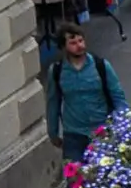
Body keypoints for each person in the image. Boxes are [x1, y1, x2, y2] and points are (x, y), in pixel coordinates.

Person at [42, 20, 122, 160]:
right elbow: (53, 102)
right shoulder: (56, 71)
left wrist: (124, 124)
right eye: (73, 43)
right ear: (63, 46)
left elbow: (118, 96)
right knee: (75, 178)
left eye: (81, 40)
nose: (79, 45)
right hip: (73, 134)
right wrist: (53, 132)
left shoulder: (101, 66)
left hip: (101, 130)